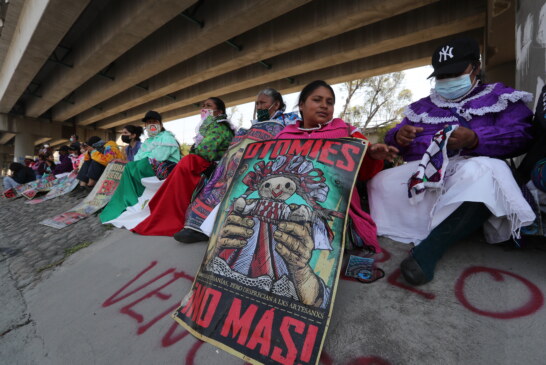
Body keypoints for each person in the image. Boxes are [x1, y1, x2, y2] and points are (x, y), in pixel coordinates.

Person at [210, 80, 397, 307]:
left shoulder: (347, 133)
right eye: (317, 100)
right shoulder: (283, 136)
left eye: (329, 102)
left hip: (333, 208)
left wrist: (372, 155)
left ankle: (333, 263)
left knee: (325, 240)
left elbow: (363, 171)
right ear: (301, 105)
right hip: (280, 213)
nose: (324, 106)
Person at [368, 37, 535, 286]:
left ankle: (432, 247)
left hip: (472, 172)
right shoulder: (423, 106)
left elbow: (522, 136)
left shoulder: (501, 97)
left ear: (475, 68)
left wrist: (476, 139)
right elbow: (399, 136)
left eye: (456, 73)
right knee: (381, 181)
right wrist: (398, 137)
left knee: (488, 170)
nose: (447, 81)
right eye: (442, 76)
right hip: (432, 170)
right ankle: (416, 228)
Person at [175, 88, 298, 243]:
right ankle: (197, 227)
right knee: (219, 180)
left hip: (267, 167)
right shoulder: (255, 124)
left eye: (263, 103)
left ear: (276, 104)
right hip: (242, 163)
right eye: (257, 103)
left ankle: (216, 228)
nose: (259, 107)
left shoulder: (289, 122)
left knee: (239, 182)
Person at [130, 98, 235, 236]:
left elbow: (205, 152)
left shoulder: (220, 126)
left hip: (218, 168)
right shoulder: (207, 127)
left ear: (219, 111)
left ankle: (175, 217)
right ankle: (161, 214)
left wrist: (192, 154)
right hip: (205, 164)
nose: (204, 108)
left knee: (188, 162)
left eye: (209, 106)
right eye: (203, 105)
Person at [99, 111, 181, 223]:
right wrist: (148, 155)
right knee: (130, 166)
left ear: (160, 124)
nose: (151, 125)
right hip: (151, 166)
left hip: (168, 168)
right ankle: (126, 201)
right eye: (148, 123)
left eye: (154, 122)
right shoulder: (148, 142)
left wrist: (147, 155)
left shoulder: (167, 137)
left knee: (137, 165)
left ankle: (131, 200)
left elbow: (159, 156)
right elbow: (138, 158)